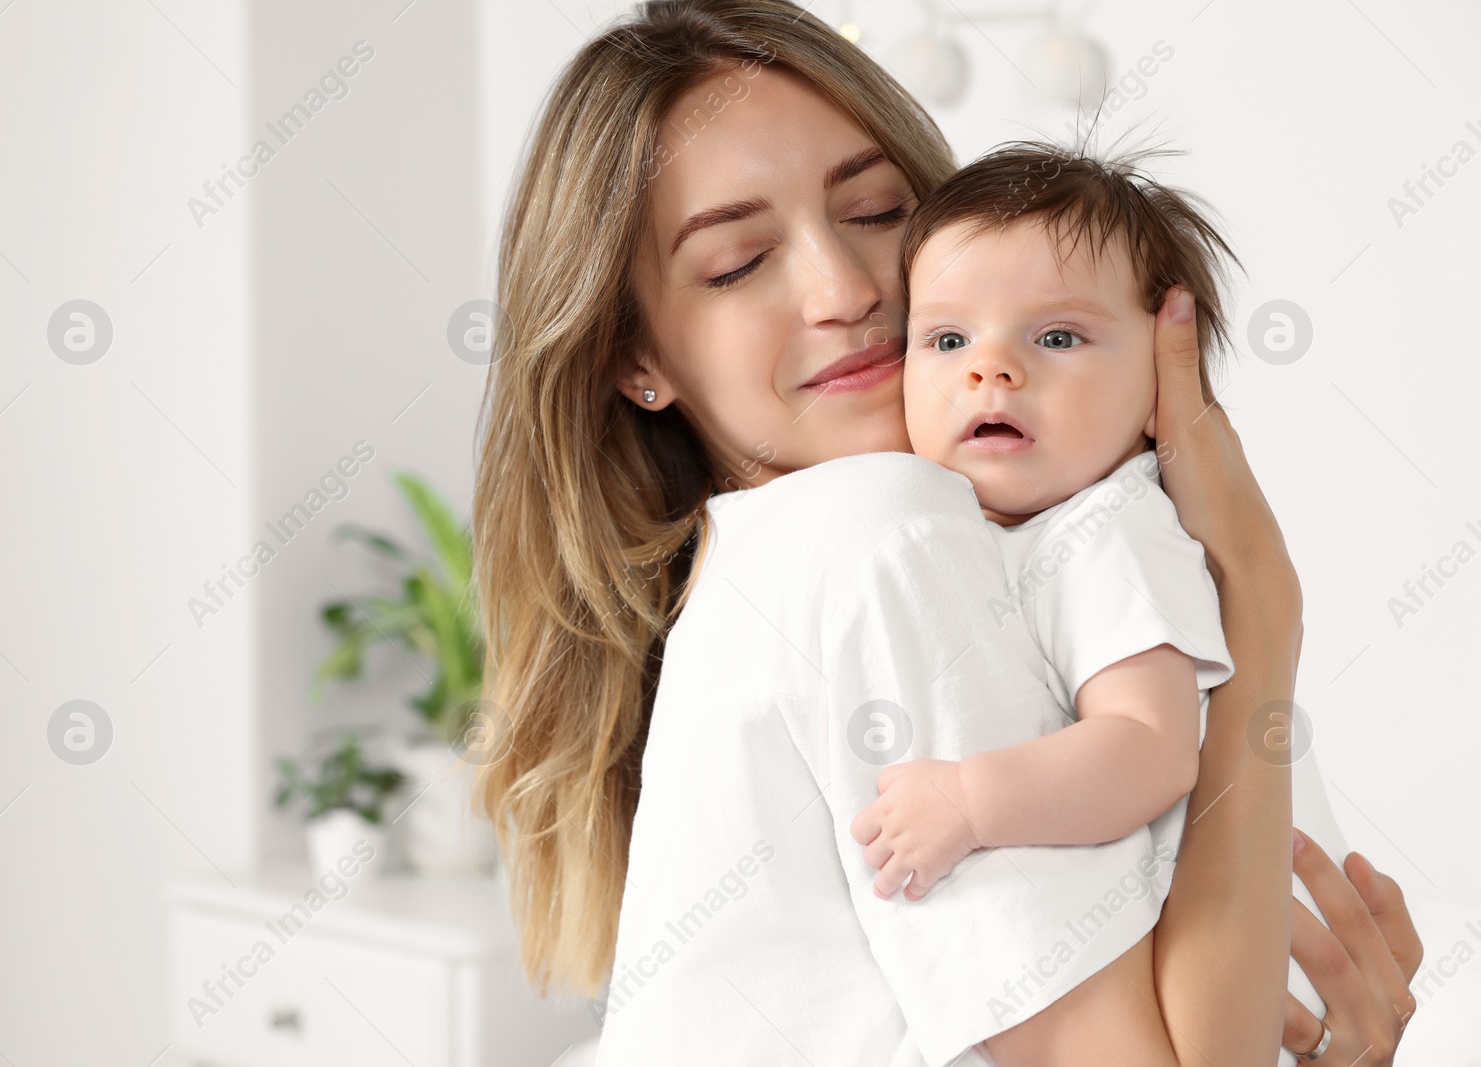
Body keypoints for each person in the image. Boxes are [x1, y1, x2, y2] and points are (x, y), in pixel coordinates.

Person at [470, 2, 1424, 1063]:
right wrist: (1260, 596)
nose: (847, 290)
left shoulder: (987, 552)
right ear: (632, 359)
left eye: (876, 211)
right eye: (738, 261)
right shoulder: (879, 530)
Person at [849, 142, 1327, 1067]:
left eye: (1057, 337)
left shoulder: (1110, 532)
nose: (991, 369)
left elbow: (1149, 749)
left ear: (1159, 384)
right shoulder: (972, 533)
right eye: (947, 340)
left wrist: (970, 799)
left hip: (1186, 968)